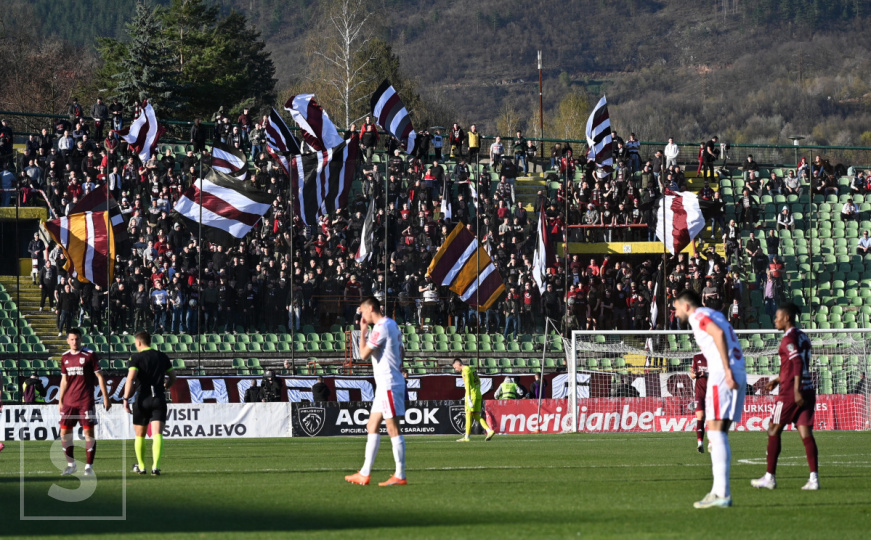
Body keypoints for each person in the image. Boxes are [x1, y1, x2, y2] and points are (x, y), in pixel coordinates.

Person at [673, 289, 746, 509]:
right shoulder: (716, 314)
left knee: (714, 432)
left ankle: (721, 493)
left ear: (686, 306)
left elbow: (718, 334)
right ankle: (718, 491)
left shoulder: (697, 316)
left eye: (676, 308)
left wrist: (726, 369)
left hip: (722, 373)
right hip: (737, 368)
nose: (675, 313)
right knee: (718, 433)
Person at [751, 303, 819, 491]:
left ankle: (769, 477)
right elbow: (797, 364)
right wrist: (777, 379)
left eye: (778, 317)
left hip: (791, 392)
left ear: (787, 318)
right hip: (808, 388)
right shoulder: (803, 336)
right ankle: (814, 479)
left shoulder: (788, 338)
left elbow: (796, 362)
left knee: (773, 429)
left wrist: (794, 388)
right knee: (805, 433)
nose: (775, 320)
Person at [345, 297, 407, 487]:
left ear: (371, 308)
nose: (362, 316)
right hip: (385, 383)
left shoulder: (380, 327)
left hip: (388, 382)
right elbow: (402, 351)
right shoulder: (392, 324)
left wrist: (363, 331)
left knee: (392, 428)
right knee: (372, 425)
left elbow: (362, 354)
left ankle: (400, 474)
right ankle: (364, 473)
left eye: (363, 312)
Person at [58, 328, 111, 476]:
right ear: (68, 340)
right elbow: (64, 380)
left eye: (77, 339)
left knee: (88, 433)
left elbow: (100, 377)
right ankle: (71, 465)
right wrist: (60, 400)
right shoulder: (64, 357)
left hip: (85, 401)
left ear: (81, 339)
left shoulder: (89, 355)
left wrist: (106, 397)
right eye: (72, 339)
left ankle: (88, 466)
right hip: (69, 402)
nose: (75, 342)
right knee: (64, 434)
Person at [123, 330, 176, 476]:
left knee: (140, 435)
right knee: (157, 434)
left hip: (142, 399)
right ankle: (155, 467)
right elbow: (173, 377)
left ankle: (141, 467)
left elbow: (130, 379)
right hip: (158, 398)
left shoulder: (136, 358)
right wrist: (166, 386)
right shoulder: (162, 356)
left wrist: (125, 399)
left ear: (138, 343)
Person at [452, 358, 495, 442]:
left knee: (468, 415)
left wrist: (468, 398)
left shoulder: (465, 370)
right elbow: (478, 381)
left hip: (471, 395)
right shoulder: (472, 368)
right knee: (476, 415)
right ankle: (490, 431)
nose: (455, 369)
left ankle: (467, 437)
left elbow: (467, 384)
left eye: (455, 367)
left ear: (458, 364)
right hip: (478, 394)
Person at [689, 353, 708, 453]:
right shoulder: (697, 357)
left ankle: (711, 443)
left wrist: (706, 374)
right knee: (700, 417)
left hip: (712, 393)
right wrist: (694, 374)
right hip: (699, 394)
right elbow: (692, 375)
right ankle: (700, 443)